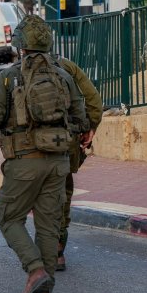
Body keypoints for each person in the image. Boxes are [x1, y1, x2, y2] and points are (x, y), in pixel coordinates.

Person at [0, 14, 88, 293]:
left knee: (9, 218)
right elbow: (81, 119)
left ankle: (35, 270)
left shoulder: (8, 77)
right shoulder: (63, 76)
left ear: (21, 46)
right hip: (58, 163)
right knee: (48, 225)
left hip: (24, 163)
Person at [53, 56, 103, 272]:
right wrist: (91, 127)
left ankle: (40, 247)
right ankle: (58, 250)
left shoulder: (15, 71)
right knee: (63, 193)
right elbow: (93, 99)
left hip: (31, 149)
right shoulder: (66, 66)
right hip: (66, 142)